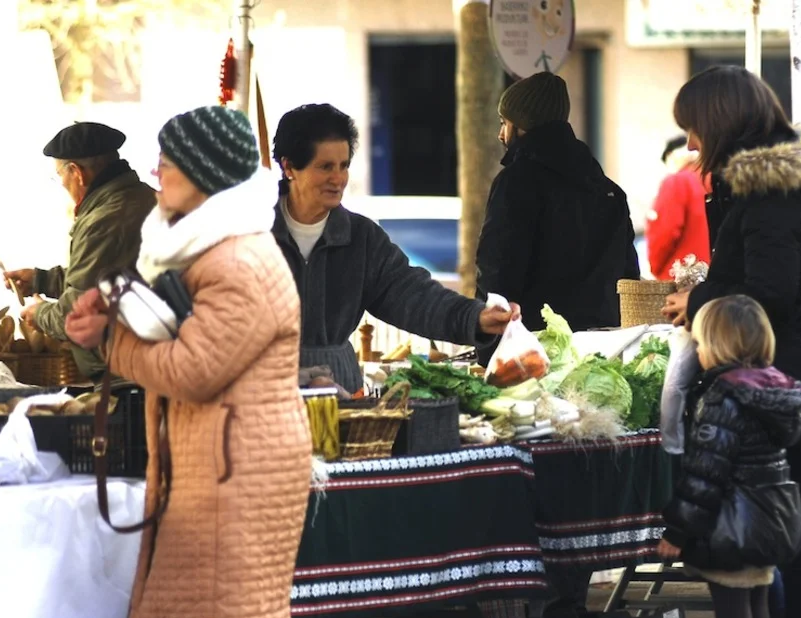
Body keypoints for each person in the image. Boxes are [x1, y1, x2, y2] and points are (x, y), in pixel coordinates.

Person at [65, 105, 312, 618]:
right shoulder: (215, 252)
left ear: (204, 174)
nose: (157, 173)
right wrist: (118, 307)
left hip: (235, 478)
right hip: (227, 468)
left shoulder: (238, 262)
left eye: (169, 164)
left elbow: (191, 370)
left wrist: (111, 341)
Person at [662, 66, 801, 618]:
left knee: (791, 538)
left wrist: (699, 301)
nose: (690, 145)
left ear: (720, 123)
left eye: (694, 130)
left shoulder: (769, 194)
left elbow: (766, 294)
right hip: (789, 372)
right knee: (782, 534)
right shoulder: (765, 185)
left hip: (778, 377)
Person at [270, 103, 517, 392]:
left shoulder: (362, 238)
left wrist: (475, 317)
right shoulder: (254, 233)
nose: (338, 179)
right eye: (326, 167)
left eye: (344, 166)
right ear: (289, 167)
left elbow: (414, 295)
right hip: (265, 388)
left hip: (342, 394)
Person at [659, 295, 801, 618]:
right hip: (766, 522)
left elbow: (705, 474)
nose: (698, 351)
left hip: (731, 525)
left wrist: (678, 530)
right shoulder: (774, 390)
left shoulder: (723, 397)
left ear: (718, 345)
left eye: (700, 343)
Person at [476, 72, 639, 345]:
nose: (500, 134)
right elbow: (628, 276)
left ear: (522, 124)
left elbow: (498, 269)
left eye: (504, 123)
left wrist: (488, 345)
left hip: (534, 345)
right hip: (603, 345)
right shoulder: (608, 191)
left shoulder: (517, 181)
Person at [3, 122, 155, 381]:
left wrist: (39, 314)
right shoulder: (145, 199)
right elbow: (107, 277)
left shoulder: (104, 221)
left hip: (129, 378)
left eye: (59, 175)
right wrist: (42, 280)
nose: (62, 184)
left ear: (76, 172)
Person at [646, 135, 710, 280]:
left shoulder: (676, 182)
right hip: (713, 278)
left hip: (681, 278)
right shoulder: (714, 179)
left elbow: (665, 232)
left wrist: (655, 267)